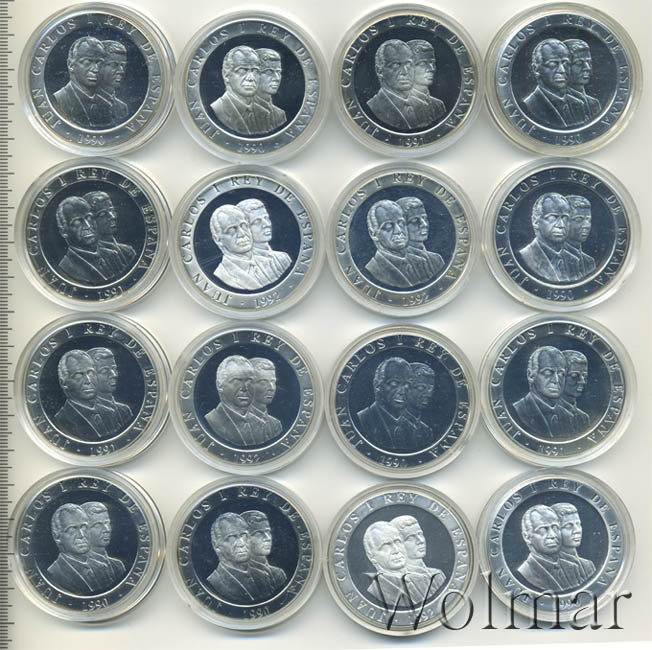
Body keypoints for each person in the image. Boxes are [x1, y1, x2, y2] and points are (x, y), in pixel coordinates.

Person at [206, 512, 274, 602]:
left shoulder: (263, 577)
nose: (241, 544)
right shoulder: (213, 582)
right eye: (232, 538)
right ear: (216, 546)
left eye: (244, 535)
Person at [55, 196, 123, 284]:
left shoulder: (113, 254)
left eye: (89, 218)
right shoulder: (66, 268)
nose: (88, 226)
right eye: (77, 222)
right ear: (63, 231)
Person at [365, 200, 430, 288]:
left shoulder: (421, 262)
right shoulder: (372, 270)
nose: (398, 231)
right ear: (373, 234)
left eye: (401, 223)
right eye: (388, 226)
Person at [210, 204, 276, 290]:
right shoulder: (222, 275)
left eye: (244, 225)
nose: (242, 234)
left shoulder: (270, 261)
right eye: (232, 229)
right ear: (218, 239)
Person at [512, 346, 574, 437]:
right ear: (530, 375)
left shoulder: (568, 417)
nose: (556, 380)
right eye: (548, 372)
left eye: (561, 373)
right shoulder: (518, 411)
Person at [518, 192, 581, 282]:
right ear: (535, 221)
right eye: (553, 218)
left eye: (565, 218)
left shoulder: (573, 261)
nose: (561, 225)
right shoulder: (524, 257)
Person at [522, 39, 585, 128]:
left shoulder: (578, 104)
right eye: (553, 64)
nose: (562, 70)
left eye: (565, 63)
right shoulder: (529, 105)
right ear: (535, 69)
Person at [517, 504, 582, 591]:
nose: (552, 535)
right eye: (543, 529)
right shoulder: (524, 572)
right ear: (527, 537)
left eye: (555, 528)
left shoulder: (572, 567)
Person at [357, 357, 416, 450]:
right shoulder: (362, 420)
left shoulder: (413, 427)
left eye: (407, 384)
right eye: (394, 383)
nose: (402, 391)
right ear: (377, 385)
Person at [47, 503, 107, 594]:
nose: (81, 535)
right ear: (57, 536)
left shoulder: (102, 567)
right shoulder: (54, 573)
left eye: (84, 527)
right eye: (72, 529)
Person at [53, 36, 112, 128]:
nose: (95, 69)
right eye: (87, 61)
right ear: (70, 65)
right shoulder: (58, 100)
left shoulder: (106, 105)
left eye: (99, 62)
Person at [204, 355, 263, 446]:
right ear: (219, 385)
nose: (244, 388)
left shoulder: (261, 424)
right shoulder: (210, 422)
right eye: (237, 381)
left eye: (249, 381)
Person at [54, 349, 112, 439]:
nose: (88, 381)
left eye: (90, 373)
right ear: (64, 383)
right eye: (78, 375)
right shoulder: (60, 420)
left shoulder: (111, 413)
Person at [210, 46, 267, 135]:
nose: (251, 78)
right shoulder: (216, 110)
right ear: (226, 75)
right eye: (242, 70)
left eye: (255, 71)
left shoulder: (264, 113)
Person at [367, 40, 422, 130]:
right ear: (379, 71)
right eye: (396, 65)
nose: (405, 72)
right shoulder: (372, 108)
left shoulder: (426, 106)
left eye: (408, 64)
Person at [391, 515, 445, 601]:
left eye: (420, 534)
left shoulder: (438, 575)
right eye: (410, 537)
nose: (421, 540)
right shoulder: (394, 582)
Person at [236, 198, 291, 283]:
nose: (267, 224)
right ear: (245, 229)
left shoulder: (284, 257)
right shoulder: (244, 268)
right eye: (257, 221)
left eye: (266, 218)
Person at [83, 190, 137, 274]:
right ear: (90, 221)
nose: (112, 217)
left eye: (112, 211)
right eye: (102, 214)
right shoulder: (88, 258)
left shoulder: (128, 251)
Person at [87, 347, 133, 435]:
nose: (114, 375)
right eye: (104, 371)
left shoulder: (125, 410)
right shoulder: (87, 413)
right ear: (90, 376)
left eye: (114, 368)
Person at [396, 196, 445, 279]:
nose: (424, 224)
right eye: (414, 220)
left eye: (424, 218)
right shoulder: (398, 263)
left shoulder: (437, 259)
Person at [80, 501, 126, 588]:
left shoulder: (118, 565)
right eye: (98, 525)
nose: (107, 529)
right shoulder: (79, 567)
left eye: (107, 523)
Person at [363, 521, 408, 605]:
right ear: (371, 556)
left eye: (397, 541)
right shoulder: (375, 593)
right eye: (386, 545)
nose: (396, 550)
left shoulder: (423, 580)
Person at [241, 510, 287, 591]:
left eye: (268, 532)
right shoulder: (241, 575)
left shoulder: (279, 573)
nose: (268, 538)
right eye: (259, 533)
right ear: (244, 539)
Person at [550, 503, 596, 583]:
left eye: (578, 524)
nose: (577, 530)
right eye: (568, 526)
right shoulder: (551, 567)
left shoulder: (588, 565)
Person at [406, 40, 446, 125]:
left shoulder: (439, 105)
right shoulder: (399, 106)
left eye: (432, 62)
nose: (431, 68)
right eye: (423, 63)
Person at [564, 39, 601, 121]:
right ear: (565, 67)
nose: (587, 68)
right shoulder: (560, 104)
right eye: (579, 63)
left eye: (589, 62)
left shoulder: (594, 103)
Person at [400, 362, 435, 447]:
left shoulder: (426, 431)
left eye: (430, 389)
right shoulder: (388, 425)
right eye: (421, 388)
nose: (428, 394)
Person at [248, 358, 283, 441]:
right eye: (263, 382)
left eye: (273, 382)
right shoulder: (234, 424)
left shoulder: (275, 424)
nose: (271, 388)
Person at [254, 48, 286, 131]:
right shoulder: (242, 112)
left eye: (278, 72)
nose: (277, 78)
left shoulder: (280, 114)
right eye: (269, 72)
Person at [98, 40, 129, 125]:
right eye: (114, 65)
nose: (121, 71)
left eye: (123, 65)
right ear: (99, 66)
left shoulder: (122, 107)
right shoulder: (83, 103)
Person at [565, 195, 596, 278]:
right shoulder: (554, 260)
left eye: (588, 220)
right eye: (579, 220)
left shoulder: (589, 262)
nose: (587, 225)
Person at [560, 350, 590, 434]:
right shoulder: (548, 415)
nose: (582, 381)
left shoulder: (583, 418)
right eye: (574, 376)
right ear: (560, 376)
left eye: (584, 376)